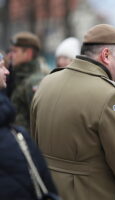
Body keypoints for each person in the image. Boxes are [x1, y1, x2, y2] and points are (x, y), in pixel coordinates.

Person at [30, 24, 115, 200]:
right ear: (106, 55)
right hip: (91, 191)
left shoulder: (47, 82)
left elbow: (34, 138)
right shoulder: (112, 94)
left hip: (48, 189)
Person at [0, 53, 58, 199]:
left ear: (28, 52)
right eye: (1, 67)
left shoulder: (32, 80)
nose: (7, 71)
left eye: (16, 49)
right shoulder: (17, 139)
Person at [9, 32, 45, 130]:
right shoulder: (17, 76)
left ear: (28, 54)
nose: (11, 55)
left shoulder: (35, 81)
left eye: (15, 51)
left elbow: (41, 121)